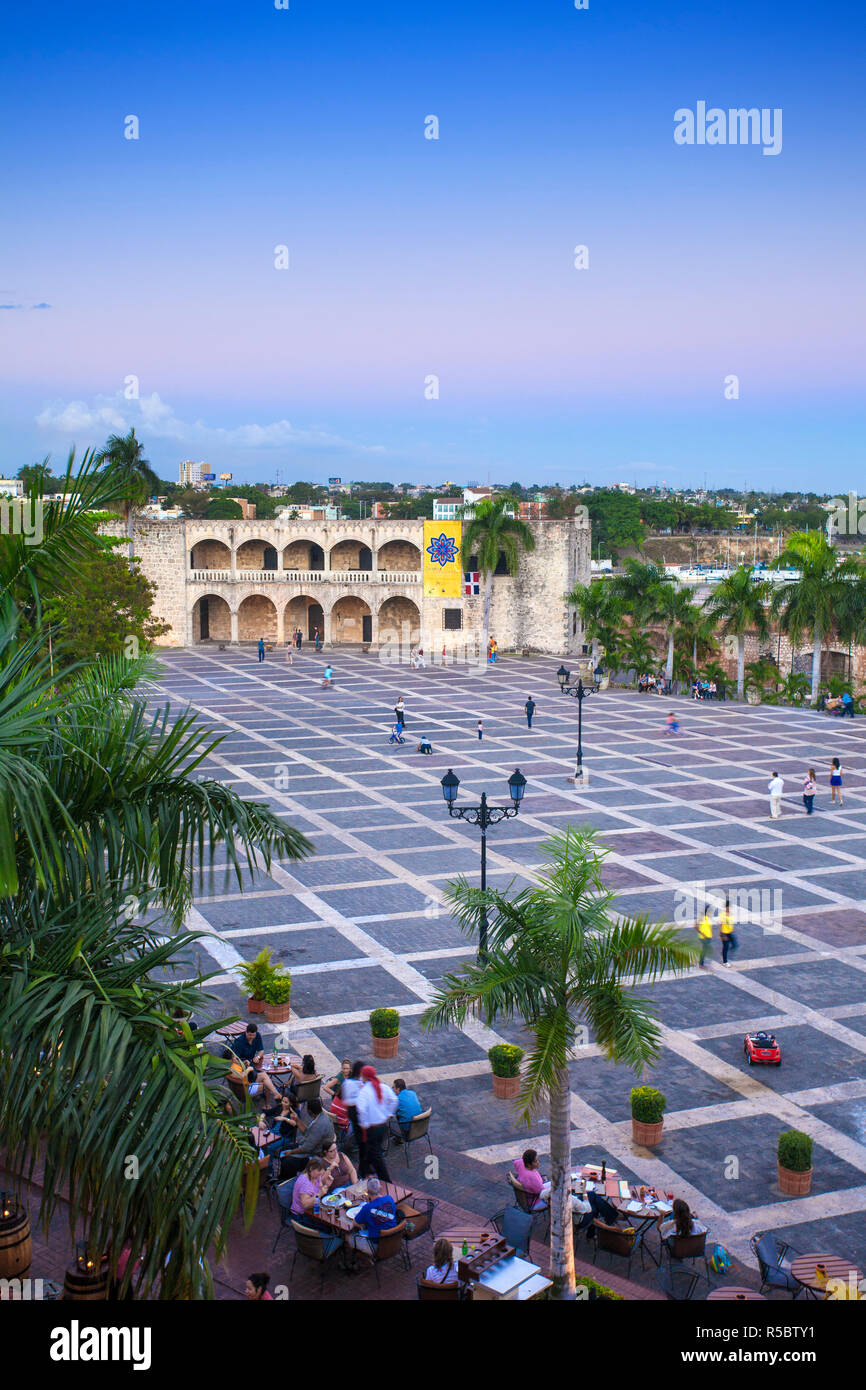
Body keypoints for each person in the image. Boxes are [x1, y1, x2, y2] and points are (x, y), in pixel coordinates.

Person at [356, 1064, 398, 1180]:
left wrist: (364, 1123)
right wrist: (388, 1114)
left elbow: (361, 1109)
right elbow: (394, 1100)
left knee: (375, 1154)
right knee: (370, 1151)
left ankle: (386, 1180)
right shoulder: (383, 1087)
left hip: (372, 1128)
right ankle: (363, 1171)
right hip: (383, 1126)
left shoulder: (364, 1092)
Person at [277, 1099, 336, 1179]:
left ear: (309, 1111)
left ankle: (286, 1180)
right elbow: (307, 1132)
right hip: (311, 1146)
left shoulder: (318, 1125)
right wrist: (297, 1120)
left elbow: (307, 1148)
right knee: (283, 1149)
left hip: (316, 1154)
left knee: (287, 1161)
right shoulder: (321, 1117)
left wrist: (291, 1152)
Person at [223, 1023, 280, 1103]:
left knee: (263, 1075)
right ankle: (269, 1102)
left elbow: (261, 1050)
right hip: (246, 1089)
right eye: (234, 1057)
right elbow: (241, 1075)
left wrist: (245, 1063)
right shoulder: (232, 1068)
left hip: (248, 1082)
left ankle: (276, 1094)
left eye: (253, 1035)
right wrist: (248, 1069)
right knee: (268, 1083)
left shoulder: (234, 1065)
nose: (252, 1037)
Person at [346, 1177, 399, 1257]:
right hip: (394, 1240)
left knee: (348, 1236)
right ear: (380, 1188)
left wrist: (363, 1225)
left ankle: (361, 1260)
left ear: (367, 1192)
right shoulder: (389, 1199)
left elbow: (355, 1223)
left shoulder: (367, 1208)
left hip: (377, 1246)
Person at [341, 1060, 366, 1170]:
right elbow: (346, 1101)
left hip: (362, 1114)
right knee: (362, 1141)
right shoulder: (349, 1083)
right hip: (355, 1113)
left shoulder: (361, 1081)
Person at [719, 897, 737, 965]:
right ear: (726, 907)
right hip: (724, 933)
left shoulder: (731, 913)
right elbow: (721, 924)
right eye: (728, 907)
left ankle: (724, 953)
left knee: (735, 945)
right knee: (725, 947)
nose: (729, 908)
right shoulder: (722, 914)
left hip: (730, 932)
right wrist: (721, 934)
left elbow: (731, 922)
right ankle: (725, 961)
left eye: (729, 907)